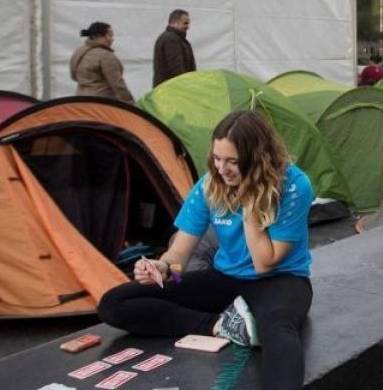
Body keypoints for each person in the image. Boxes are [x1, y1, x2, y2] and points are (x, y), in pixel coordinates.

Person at [98, 110, 314, 390]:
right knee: (114, 303)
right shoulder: (209, 186)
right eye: (216, 158)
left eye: (232, 162)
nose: (221, 169)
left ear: (257, 159)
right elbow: (178, 258)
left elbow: (265, 263)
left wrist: (250, 204)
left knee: (277, 331)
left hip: (281, 280)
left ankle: (246, 329)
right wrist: (163, 268)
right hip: (224, 279)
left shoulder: (295, 185)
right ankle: (221, 326)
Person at [70, 21, 134, 103]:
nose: (112, 39)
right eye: (110, 35)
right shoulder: (106, 56)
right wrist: (130, 104)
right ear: (100, 36)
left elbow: (73, 76)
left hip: (80, 101)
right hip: (102, 104)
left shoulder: (78, 52)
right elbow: (118, 85)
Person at [152, 9, 196, 87]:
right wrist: (187, 87)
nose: (188, 27)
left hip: (168, 90)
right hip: (172, 91)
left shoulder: (173, 39)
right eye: (185, 23)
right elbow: (176, 70)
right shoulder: (172, 40)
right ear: (175, 22)